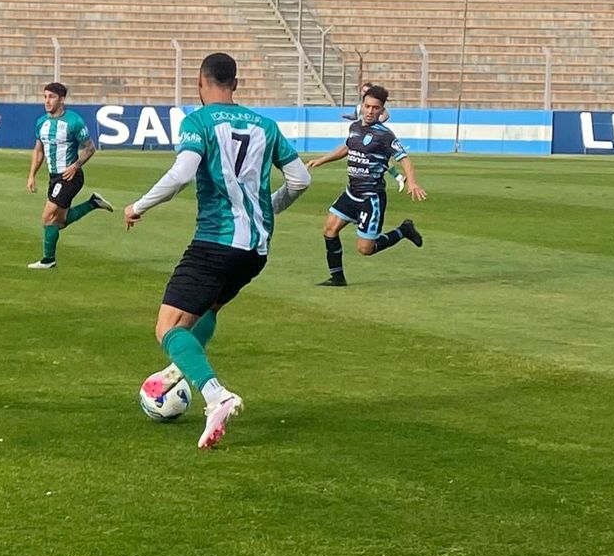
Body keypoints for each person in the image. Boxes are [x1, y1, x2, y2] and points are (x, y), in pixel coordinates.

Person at [124, 53, 311, 450]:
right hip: (256, 249)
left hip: (216, 241)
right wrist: (268, 207)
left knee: (168, 328)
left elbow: (182, 173)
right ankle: (178, 371)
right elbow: (300, 179)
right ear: (236, 84)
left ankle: (215, 395)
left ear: (199, 81)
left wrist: (138, 206)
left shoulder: (199, 121)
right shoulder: (265, 125)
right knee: (207, 310)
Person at [308, 83, 426, 287]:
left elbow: (403, 159)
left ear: (382, 110)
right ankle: (337, 277)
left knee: (365, 249)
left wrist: (412, 183)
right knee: (329, 230)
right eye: (367, 106)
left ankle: (404, 230)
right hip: (351, 193)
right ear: (361, 106)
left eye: (375, 108)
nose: (370, 111)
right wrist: (322, 160)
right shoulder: (355, 127)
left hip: (370, 199)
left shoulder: (385, 135)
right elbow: (346, 147)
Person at [26, 82, 113, 269]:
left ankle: (48, 260)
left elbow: (90, 148)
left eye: (51, 97)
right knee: (59, 222)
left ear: (62, 99)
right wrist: (31, 175)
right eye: (45, 97)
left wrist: (76, 165)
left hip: (70, 176)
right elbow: (38, 150)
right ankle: (93, 203)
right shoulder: (41, 122)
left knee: (47, 216)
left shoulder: (74, 121)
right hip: (54, 177)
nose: (47, 101)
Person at [343, 82, 404, 191]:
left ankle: (398, 177)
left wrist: (375, 125)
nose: (370, 110)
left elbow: (386, 114)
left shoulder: (375, 106)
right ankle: (398, 177)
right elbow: (355, 116)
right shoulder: (359, 107)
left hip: (371, 135)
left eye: (367, 90)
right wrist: (348, 117)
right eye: (363, 91)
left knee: (377, 160)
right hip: (359, 132)